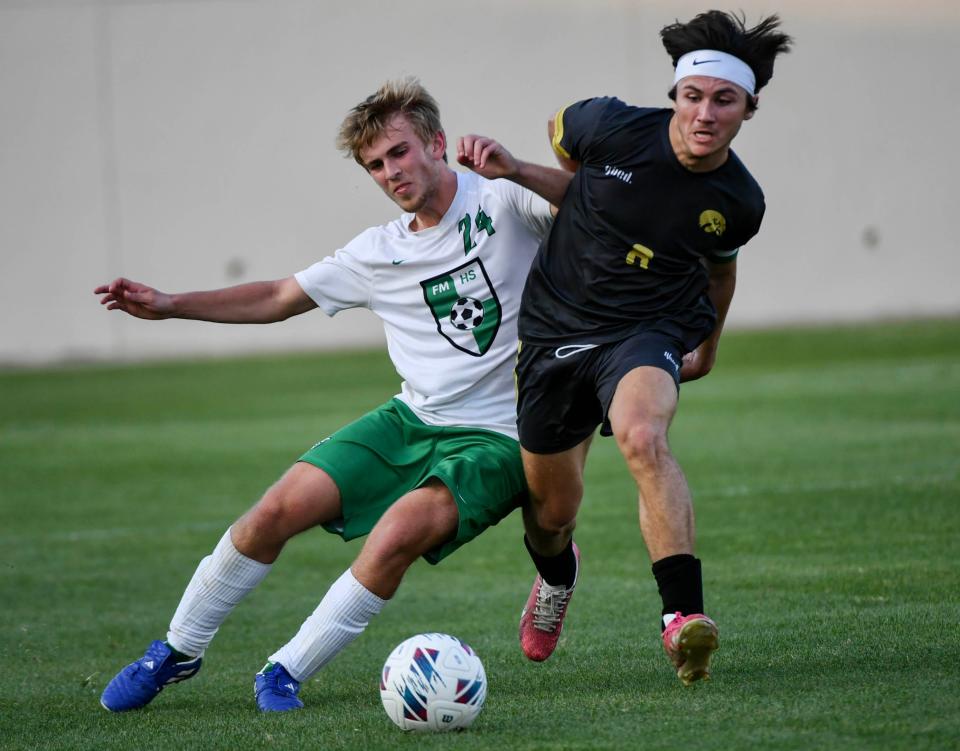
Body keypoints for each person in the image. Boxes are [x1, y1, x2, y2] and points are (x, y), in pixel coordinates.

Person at [95, 78, 571, 713]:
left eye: (399, 152)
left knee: (397, 532)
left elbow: (588, 208)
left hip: (504, 435)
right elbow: (276, 297)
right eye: (375, 165)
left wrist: (533, 164)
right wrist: (172, 305)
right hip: (413, 417)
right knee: (274, 510)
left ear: (435, 142)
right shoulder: (377, 252)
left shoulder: (507, 199)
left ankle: (283, 672)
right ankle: (177, 649)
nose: (389, 172)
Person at [461, 10, 792, 684]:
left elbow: (721, 269)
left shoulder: (740, 201)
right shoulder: (600, 124)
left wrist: (710, 342)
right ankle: (557, 575)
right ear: (676, 94)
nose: (705, 113)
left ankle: (682, 619)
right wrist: (515, 169)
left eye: (723, 100)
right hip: (555, 329)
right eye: (693, 95)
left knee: (643, 436)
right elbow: (581, 187)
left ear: (748, 108)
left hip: (648, 330)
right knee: (550, 513)